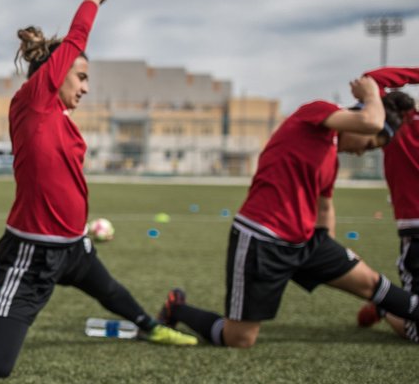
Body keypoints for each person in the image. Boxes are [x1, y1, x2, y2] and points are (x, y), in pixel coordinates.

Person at [0, 0, 196, 379]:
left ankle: (151, 327)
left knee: (110, 290)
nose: (86, 87)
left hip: (73, 246)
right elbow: (75, 38)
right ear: (55, 75)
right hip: (31, 255)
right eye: (81, 77)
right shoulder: (33, 103)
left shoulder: (61, 120)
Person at [158, 76, 416, 348]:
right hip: (262, 238)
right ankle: (177, 309)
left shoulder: (331, 158)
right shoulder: (317, 111)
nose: (363, 153)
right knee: (239, 339)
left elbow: (325, 206)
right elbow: (372, 122)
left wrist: (330, 255)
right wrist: (372, 93)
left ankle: (406, 311)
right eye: (369, 145)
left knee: (370, 283)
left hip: (305, 243)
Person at [355, 67, 419, 343]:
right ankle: (388, 305)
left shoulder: (395, 128)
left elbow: (370, 80)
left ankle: (388, 303)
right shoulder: (397, 128)